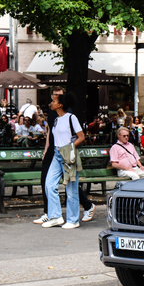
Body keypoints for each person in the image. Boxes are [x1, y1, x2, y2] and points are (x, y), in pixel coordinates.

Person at [34, 87, 96, 227]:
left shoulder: (71, 118)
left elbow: (81, 137)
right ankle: (55, 216)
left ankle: (73, 220)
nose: (52, 102)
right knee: (49, 184)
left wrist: (70, 148)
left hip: (68, 152)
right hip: (57, 154)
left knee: (71, 189)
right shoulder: (55, 120)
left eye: (55, 100)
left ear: (60, 104)